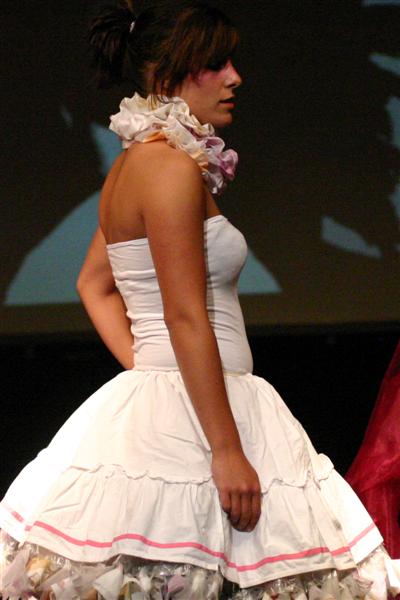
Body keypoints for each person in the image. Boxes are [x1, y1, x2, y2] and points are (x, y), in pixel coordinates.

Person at [0, 2, 397, 599]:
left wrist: (150, 374)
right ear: (168, 75)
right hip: (205, 414)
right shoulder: (166, 168)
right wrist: (225, 447)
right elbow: (185, 315)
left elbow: (93, 283)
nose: (235, 77)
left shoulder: (141, 162)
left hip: (181, 395)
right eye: (215, 64)